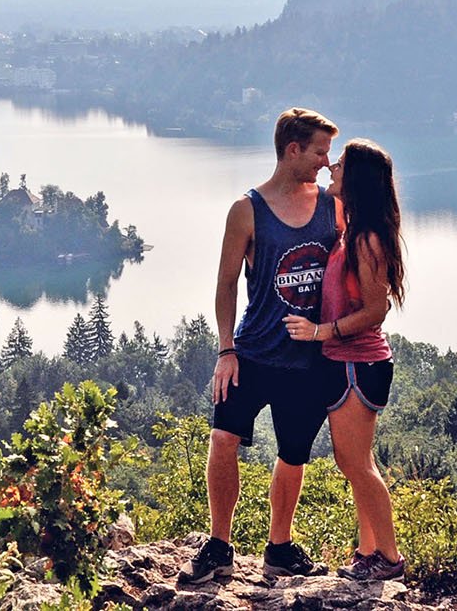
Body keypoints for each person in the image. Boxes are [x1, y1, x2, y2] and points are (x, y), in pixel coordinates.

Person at [180, 108, 341, 585]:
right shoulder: (247, 211)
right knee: (223, 439)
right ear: (293, 150)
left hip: (308, 359)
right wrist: (225, 350)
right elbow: (226, 284)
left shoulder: (332, 207)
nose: (325, 163)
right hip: (250, 353)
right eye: (318, 152)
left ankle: (280, 547)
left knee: (294, 455)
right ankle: (219, 546)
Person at [285, 138, 407, 582]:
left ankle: (389, 560)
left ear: (356, 179)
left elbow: (377, 311)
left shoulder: (366, 240)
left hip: (359, 364)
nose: (331, 167)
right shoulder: (352, 231)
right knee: (354, 462)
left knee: (356, 464)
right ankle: (368, 550)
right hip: (346, 363)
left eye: (340, 163)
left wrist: (322, 332)